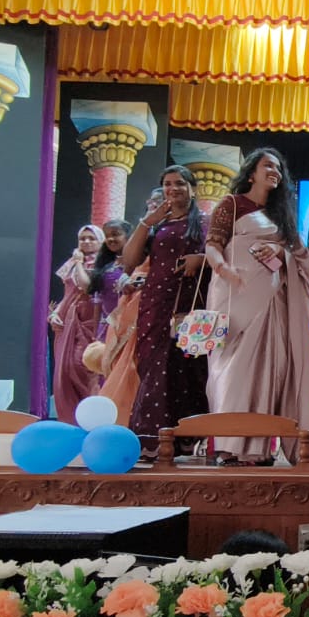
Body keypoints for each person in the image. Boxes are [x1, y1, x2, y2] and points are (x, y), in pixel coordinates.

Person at [204, 148, 309, 465]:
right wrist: (224, 269)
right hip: (233, 297)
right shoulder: (231, 204)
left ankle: (258, 447)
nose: (275, 172)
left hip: (272, 304)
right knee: (232, 371)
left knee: (269, 371)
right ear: (251, 172)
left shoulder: (282, 217)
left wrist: (280, 253)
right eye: (268, 165)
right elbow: (213, 245)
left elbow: (301, 258)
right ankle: (229, 445)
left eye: (279, 168)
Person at [120, 166, 210, 458]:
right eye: (168, 184)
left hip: (193, 305)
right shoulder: (156, 225)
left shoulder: (206, 222)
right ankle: (151, 439)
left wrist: (202, 259)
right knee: (155, 368)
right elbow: (129, 261)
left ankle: (188, 438)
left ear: (192, 188)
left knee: (191, 369)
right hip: (156, 305)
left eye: (180, 183)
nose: (173, 189)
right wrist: (146, 222)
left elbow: (225, 255)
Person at [97, 192, 160, 425]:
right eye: (152, 202)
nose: (156, 205)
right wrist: (127, 281)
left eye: (160, 201)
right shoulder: (145, 233)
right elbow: (129, 265)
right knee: (126, 362)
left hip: (161, 302)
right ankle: (121, 421)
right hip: (131, 306)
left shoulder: (184, 229)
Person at [49, 225, 103, 424]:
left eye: (91, 238)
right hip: (68, 321)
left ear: (101, 241)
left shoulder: (104, 263)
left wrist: (80, 263)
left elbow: (86, 287)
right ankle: (71, 420)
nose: (86, 242)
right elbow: (68, 293)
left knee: (84, 366)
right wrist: (55, 313)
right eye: (83, 238)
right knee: (65, 370)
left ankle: (91, 417)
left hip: (91, 319)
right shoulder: (71, 263)